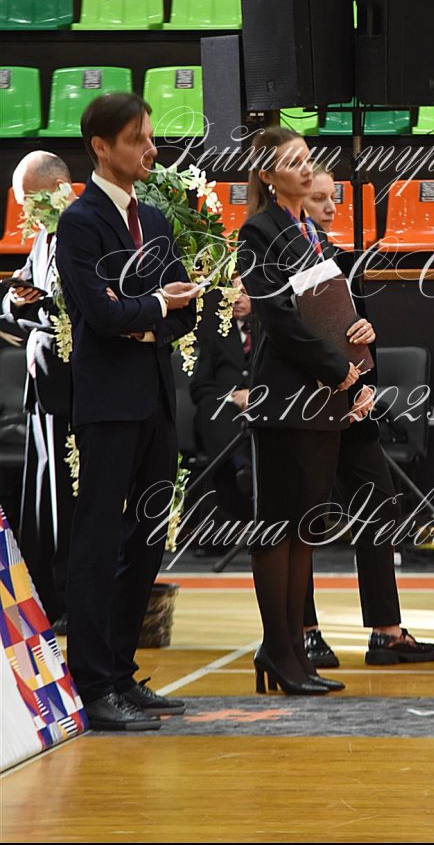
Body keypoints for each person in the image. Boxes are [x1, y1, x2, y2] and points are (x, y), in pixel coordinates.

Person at [55, 92, 200, 730]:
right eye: (137, 138)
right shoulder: (80, 221)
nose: (151, 149)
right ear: (101, 147)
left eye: (150, 137)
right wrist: (154, 308)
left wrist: (144, 314)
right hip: (108, 404)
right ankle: (92, 684)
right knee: (96, 542)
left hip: (155, 398)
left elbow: (187, 311)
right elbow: (101, 313)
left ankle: (120, 672)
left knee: (144, 542)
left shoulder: (158, 221)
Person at [237, 126, 378, 696]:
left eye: (306, 158)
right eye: (291, 161)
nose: (303, 167)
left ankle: (293, 650)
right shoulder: (258, 230)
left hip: (323, 397)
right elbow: (280, 321)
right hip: (284, 397)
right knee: (277, 529)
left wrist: (359, 343)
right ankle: (278, 649)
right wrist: (335, 367)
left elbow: (332, 310)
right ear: (267, 175)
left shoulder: (312, 232)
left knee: (304, 529)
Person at [301, 163, 434, 668]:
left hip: (351, 405)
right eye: (319, 199)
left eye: (333, 198)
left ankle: (386, 631)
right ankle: (304, 632)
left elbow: (359, 331)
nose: (330, 207)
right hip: (301, 407)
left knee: (378, 506)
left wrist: (366, 379)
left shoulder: (341, 258)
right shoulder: (275, 259)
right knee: (303, 518)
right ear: (295, 200)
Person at [1, 152, 76, 628]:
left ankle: (68, 601)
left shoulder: (83, 232)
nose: (24, 209)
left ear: (59, 187)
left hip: (75, 389)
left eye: (29, 198)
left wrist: (35, 307)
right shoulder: (43, 237)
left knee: (66, 503)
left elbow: (79, 309)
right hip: (43, 387)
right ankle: (47, 598)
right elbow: (19, 304)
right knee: (41, 504)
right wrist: (16, 300)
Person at [189, 278, 254, 552]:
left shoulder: (273, 333)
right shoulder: (216, 334)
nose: (236, 299)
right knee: (214, 410)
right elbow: (199, 387)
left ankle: (241, 467)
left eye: (244, 293)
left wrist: (255, 396)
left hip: (263, 413)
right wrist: (232, 397)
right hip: (220, 417)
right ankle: (241, 466)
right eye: (232, 293)